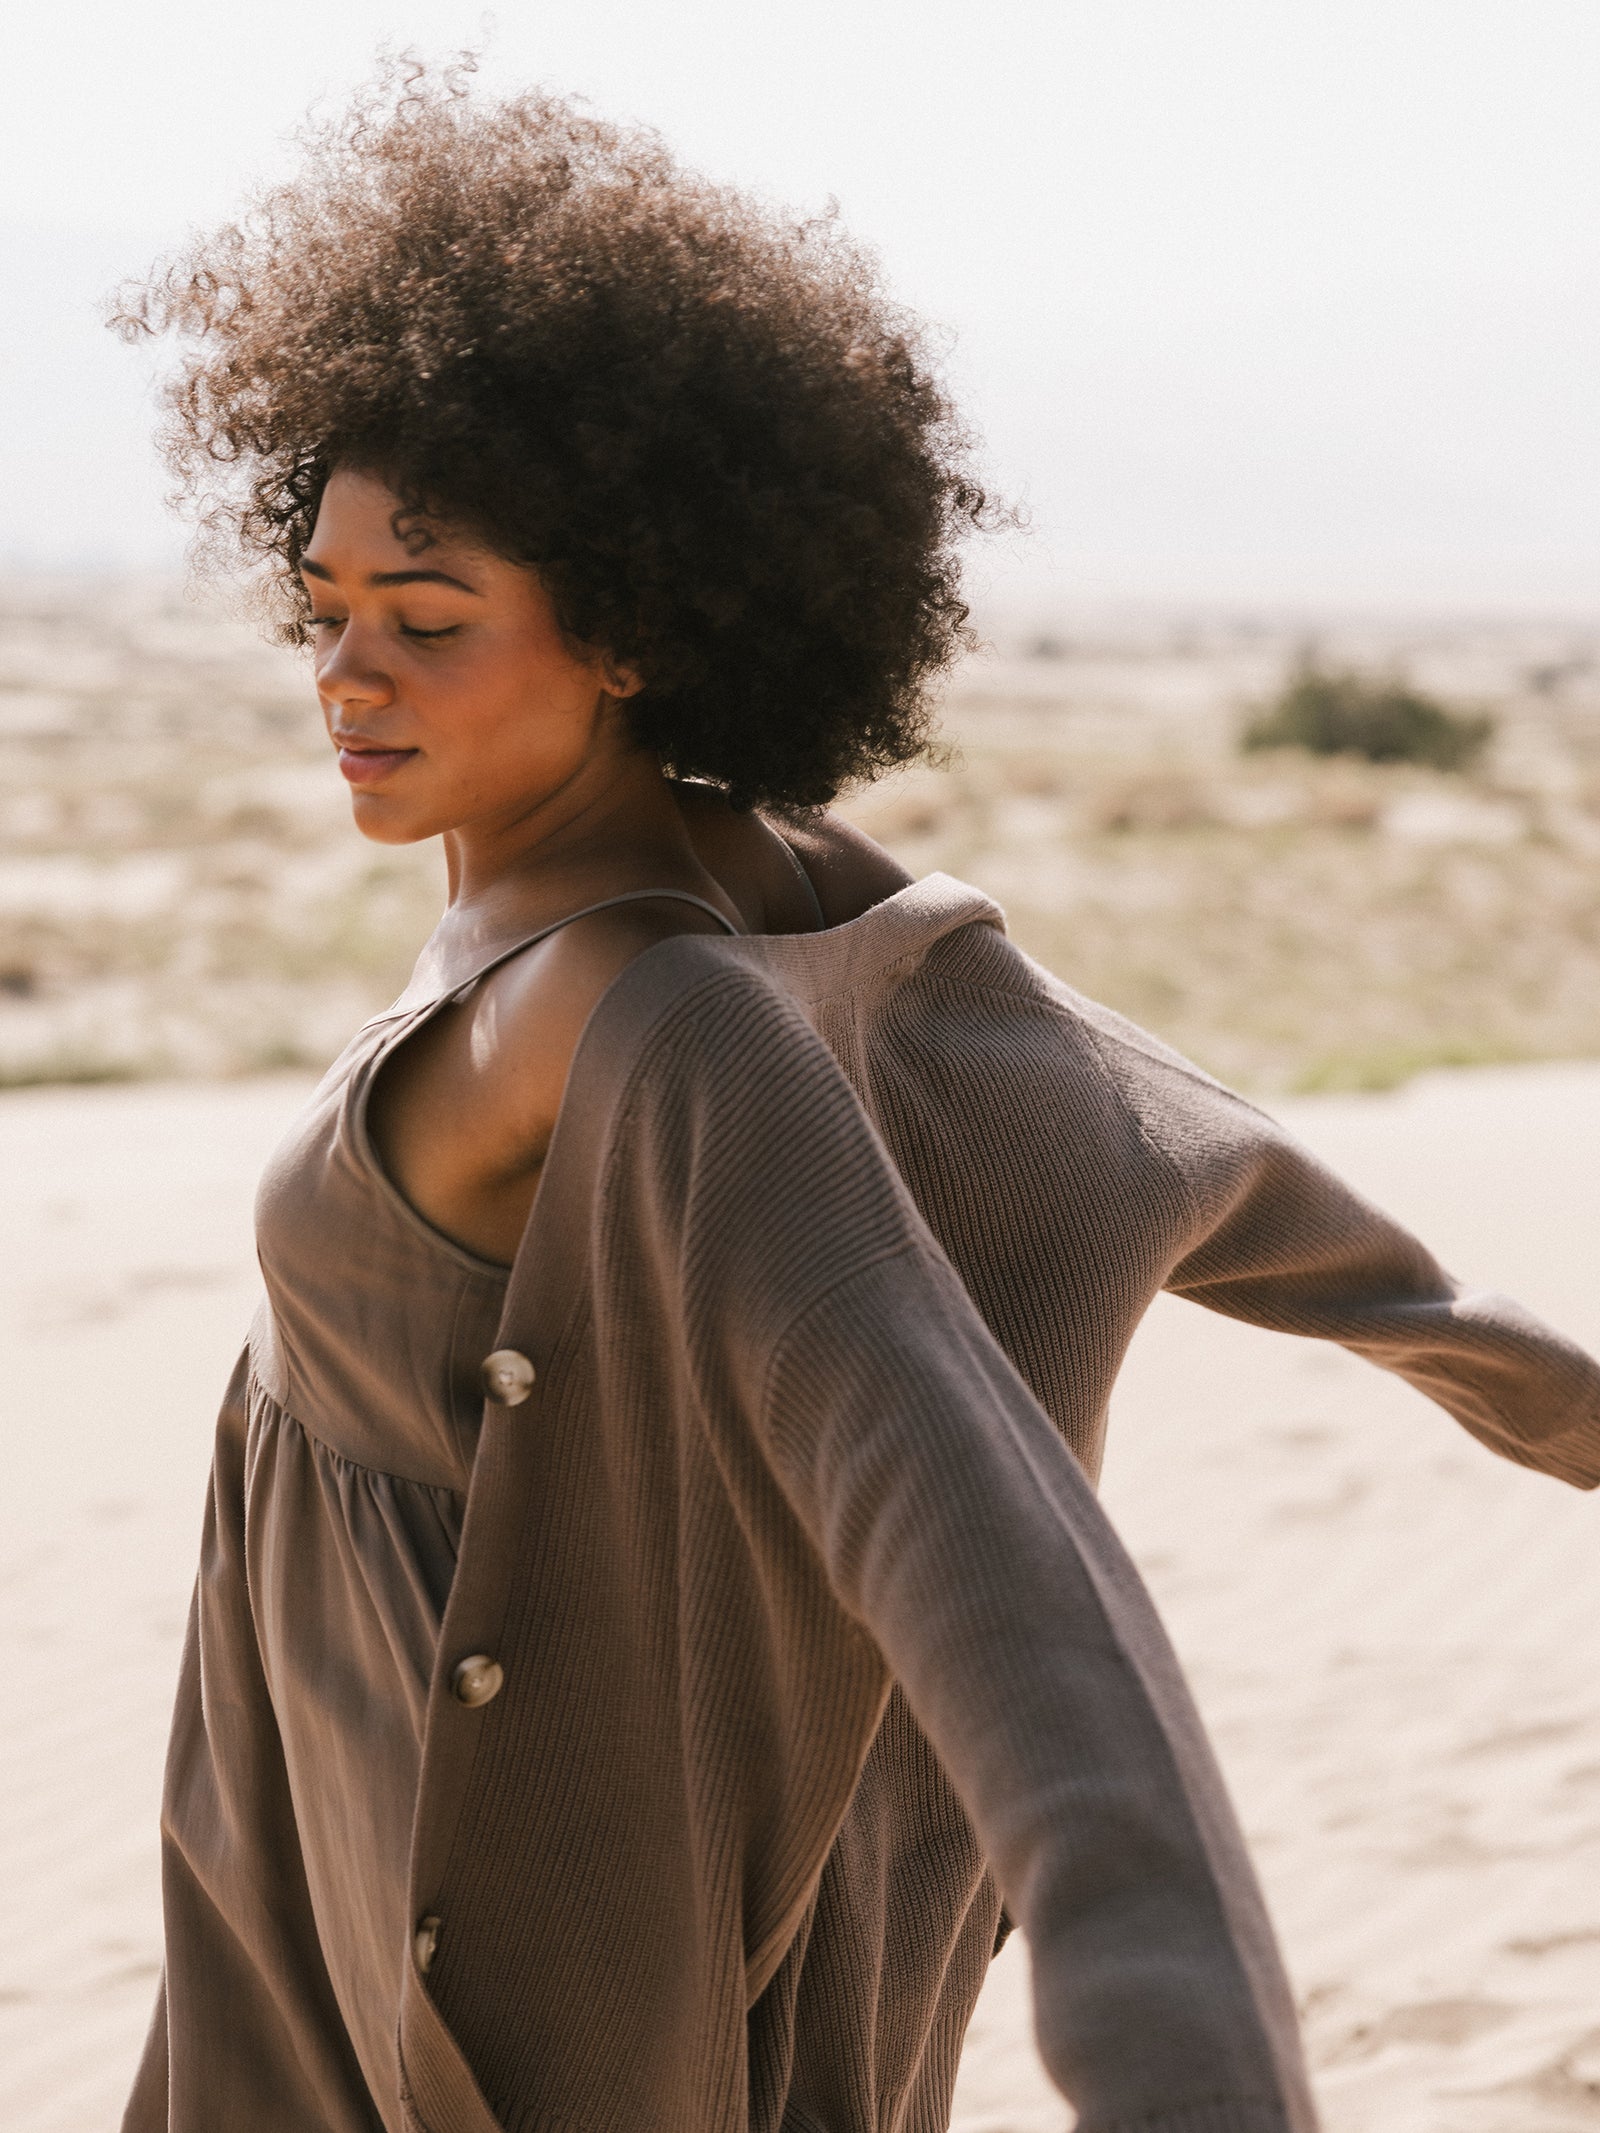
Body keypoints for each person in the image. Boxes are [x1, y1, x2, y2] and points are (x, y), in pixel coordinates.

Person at [115, 67, 1600, 2133]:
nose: (346, 678)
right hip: (294, 1793)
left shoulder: (648, 1000)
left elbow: (971, 1511)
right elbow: (1257, 1191)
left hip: (453, 1895)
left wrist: (1180, 2049)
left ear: (632, 625)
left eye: (427, 621)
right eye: (327, 609)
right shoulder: (780, 887)